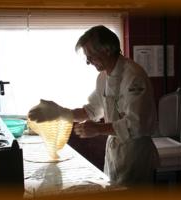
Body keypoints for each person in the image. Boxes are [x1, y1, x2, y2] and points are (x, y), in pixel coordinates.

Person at [28, 25, 159, 186]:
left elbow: (136, 125)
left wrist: (98, 129)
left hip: (136, 156)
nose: (88, 62)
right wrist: (60, 112)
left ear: (107, 50)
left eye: (90, 56)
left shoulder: (133, 76)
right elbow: (91, 111)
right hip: (115, 153)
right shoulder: (103, 78)